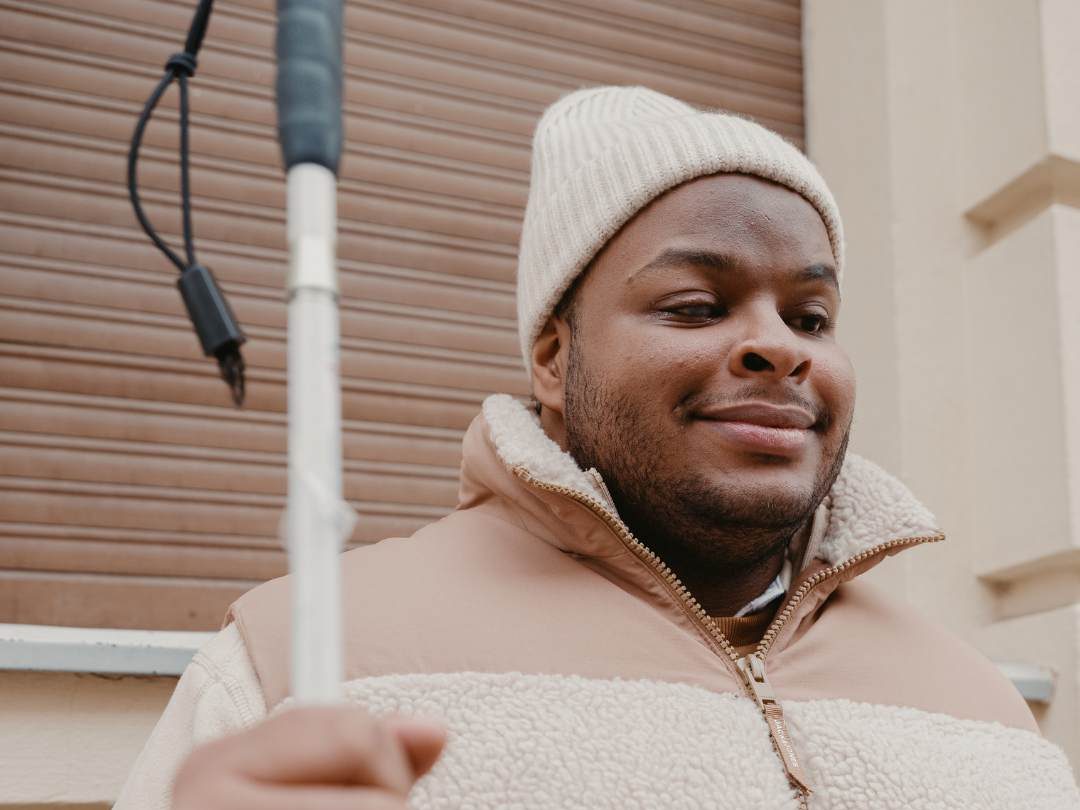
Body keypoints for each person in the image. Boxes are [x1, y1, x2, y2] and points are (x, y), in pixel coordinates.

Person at [115, 86, 1080, 810]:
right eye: (696, 305)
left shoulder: (983, 706)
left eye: (812, 315)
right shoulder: (296, 665)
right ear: (552, 358)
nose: (779, 346)